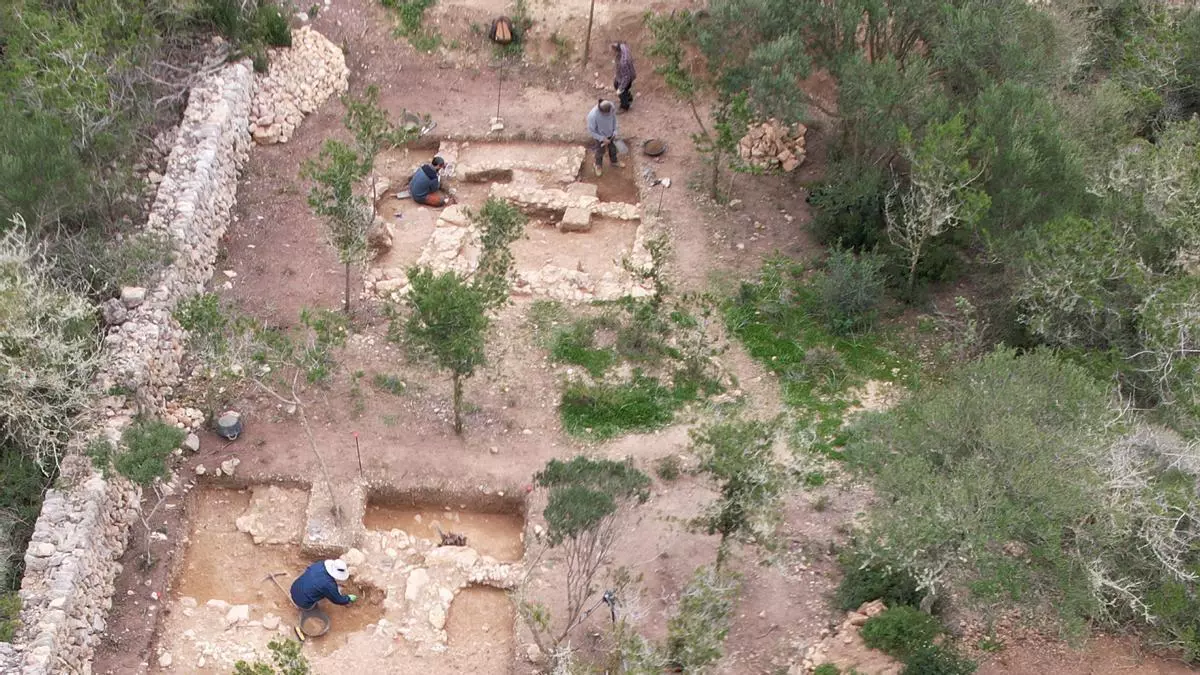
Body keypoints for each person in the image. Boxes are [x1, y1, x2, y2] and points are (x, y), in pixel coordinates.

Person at [289, 559, 357, 641]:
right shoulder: (328, 585)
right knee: (310, 607)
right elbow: (338, 600)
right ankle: (307, 608)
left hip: (295, 587)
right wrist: (348, 598)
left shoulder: (320, 565)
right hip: (303, 601)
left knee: (318, 589)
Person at [587, 100, 625, 177]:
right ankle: (598, 165)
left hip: (611, 134)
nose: (610, 114)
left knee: (613, 148)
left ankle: (614, 161)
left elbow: (614, 120)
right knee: (600, 151)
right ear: (602, 112)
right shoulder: (592, 116)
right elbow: (592, 131)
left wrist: (615, 131)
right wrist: (602, 138)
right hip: (600, 137)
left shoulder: (611, 107)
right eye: (608, 114)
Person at [612, 42, 636, 112]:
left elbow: (626, 78)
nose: (611, 53)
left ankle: (625, 106)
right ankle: (628, 97)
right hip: (624, 74)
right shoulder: (623, 47)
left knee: (621, 90)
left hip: (627, 77)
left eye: (613, 51)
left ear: (617, 51)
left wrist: (621, 88)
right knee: (616, 83)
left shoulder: (623, 62)